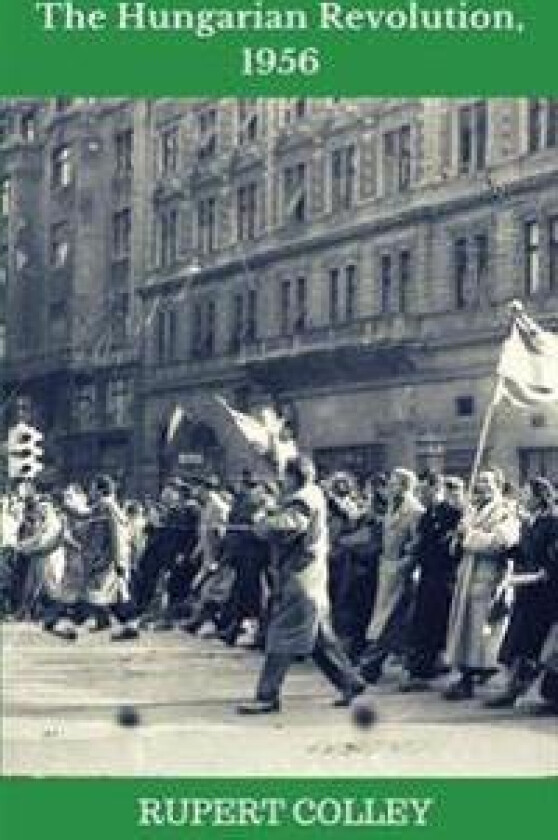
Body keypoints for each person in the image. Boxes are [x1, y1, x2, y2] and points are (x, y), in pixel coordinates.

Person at [237, 455, 366, 714]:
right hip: (310, 576)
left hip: (298, 577)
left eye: (285, 475)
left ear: (295, 476)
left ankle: (267, 696)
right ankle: (350, 681)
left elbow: (288, 527)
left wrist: (260, 522)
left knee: (280, 637)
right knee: (319, 640)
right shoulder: (313, 493)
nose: (281, 480)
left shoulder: (303, 499)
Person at [444, 470, 520, 700]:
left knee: (482, 631)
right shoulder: (473, 509)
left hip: (488, 574)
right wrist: (458, 536)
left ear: (498, 484)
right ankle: (467, 675)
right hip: (468, 573)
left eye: (487, 482)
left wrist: (470, 536)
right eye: (479, 482)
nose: (481, 486)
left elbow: (503, 541)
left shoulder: (505, 510)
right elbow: (461, 542)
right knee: (465, 627)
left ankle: (475, 677)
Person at [485, 477, 558, 708]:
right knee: (516, 642)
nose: (521, 498)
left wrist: (543, 573)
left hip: (544, 594)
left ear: (539, 497)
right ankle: (514, 687)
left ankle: (526, 689)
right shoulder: (528, 523)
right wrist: (507, 550)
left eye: (526, 494)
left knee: (531, 644)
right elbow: (524, 553)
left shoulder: (553, 522)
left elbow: (551, 559)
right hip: (524, 590)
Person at [400, 472, 463, 691]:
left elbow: (458, 548)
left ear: (437, 489)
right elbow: (422, 543)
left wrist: (455, 537)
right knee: (423, 623)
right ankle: (423, 670)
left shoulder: (454, 514)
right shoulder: (427, 516)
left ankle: (439, 667)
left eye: (425, 490)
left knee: (439, 623)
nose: (421, 494)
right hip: (427, 575)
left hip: (445, 577)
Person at [359, 468, 424, 684]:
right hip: (386, 567)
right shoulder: (391, 505)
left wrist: (404, 565)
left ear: (405, 485)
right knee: (387, 620)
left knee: (390, 620)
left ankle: (372, 666)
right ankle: (395, 665)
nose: (390, 486)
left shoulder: (414, 510)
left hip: (400, 571)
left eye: (395, 483)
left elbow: (416, 543)